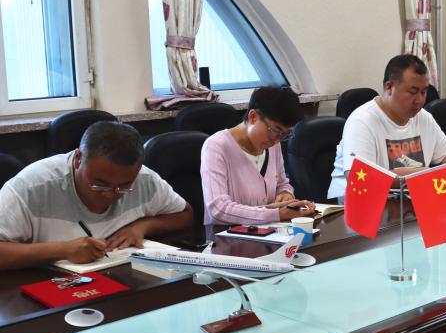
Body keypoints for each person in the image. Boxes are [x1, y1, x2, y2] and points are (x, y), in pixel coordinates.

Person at [0, 121, 192, 270]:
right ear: (78, 159)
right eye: (100, 184)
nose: (110, 195)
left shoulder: (144, 179)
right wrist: (63, 250)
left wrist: (142, 227)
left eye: (123, 187)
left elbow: (185, 214)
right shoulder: (32, 186)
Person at [327, 55, 446, 200]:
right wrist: (427, 173)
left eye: (423, 92)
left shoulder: (423, 117)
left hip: (407, 203)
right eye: (412, 92)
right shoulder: (362, 120)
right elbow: (361, 178)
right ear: (389, 87)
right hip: (352, 205)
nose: (420, 100)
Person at [200, 87, 315, 225]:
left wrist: (285, 194)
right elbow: (218, 209)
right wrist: (277, 214)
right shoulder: (216, 146)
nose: (276, 140)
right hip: (227, 235)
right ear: (253, 117)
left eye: (284, 135)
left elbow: (281, 182)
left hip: (271, 231)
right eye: (274, 131)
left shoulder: (273, 145)